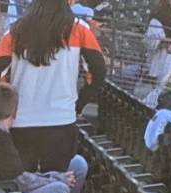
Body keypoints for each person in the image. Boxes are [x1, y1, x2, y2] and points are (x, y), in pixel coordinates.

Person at [7, 0, 105, 171]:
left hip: (20, 121)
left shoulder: (15, 30)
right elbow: (99, 71)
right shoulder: (79, 29)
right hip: (61, 120)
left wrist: (5, 108)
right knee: (58, 187)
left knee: (23, 189)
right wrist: (78, 105)